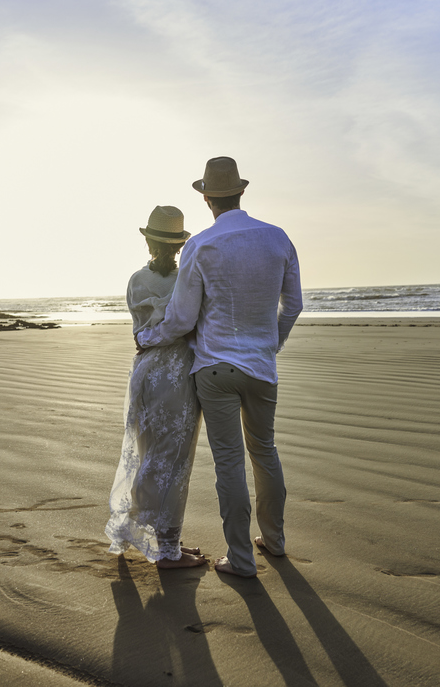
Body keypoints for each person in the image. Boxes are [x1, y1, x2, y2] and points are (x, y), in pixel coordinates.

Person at [135, 157, 303, 577]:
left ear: (206, 197)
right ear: (241, 192)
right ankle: (276, 541)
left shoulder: (200, 245)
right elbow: (294, 304)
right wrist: (271, 343)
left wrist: (148, 338)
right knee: (265, 452)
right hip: (262, 369)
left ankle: (241, 559)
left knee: (229, 462)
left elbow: (182, 319)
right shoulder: (278, 238)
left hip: (214, 370)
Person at [105, 206, 207, 569]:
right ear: (179, 246)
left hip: (144, 370)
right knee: (174, 460)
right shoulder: (187, 279)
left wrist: (148, 337)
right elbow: (189, 325)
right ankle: (168, 549)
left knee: (148, 453)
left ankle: (145, 533)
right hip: (176, 372)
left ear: (148, 240)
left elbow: (139, 331)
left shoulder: (136, 279)